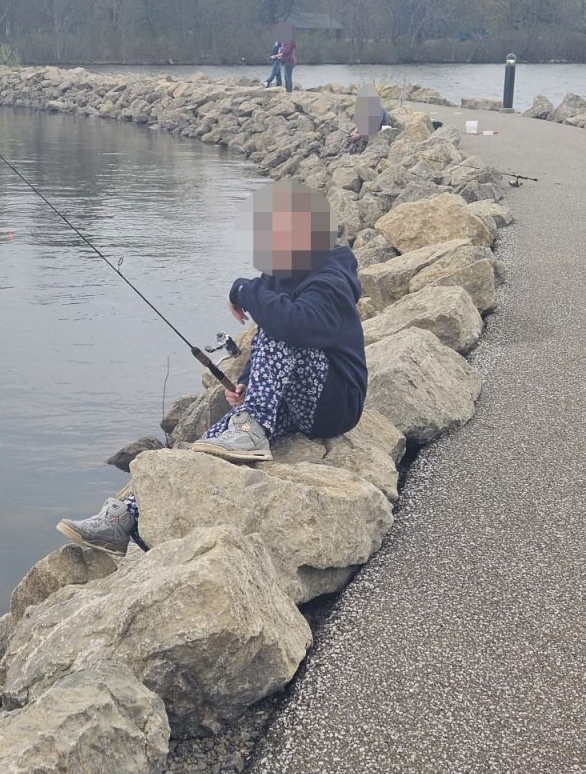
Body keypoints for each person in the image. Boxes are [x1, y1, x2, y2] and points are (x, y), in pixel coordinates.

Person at [56, 180, 368, 555]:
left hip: (335, 404)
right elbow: (269, 336)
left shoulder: (331, 280)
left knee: (284, 326)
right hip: (296, 403)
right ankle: (126, 519)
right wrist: (248, 385)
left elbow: (293, 330)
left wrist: (242, 289)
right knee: (209, 445)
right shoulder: (283, 273)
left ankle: (253, 427)